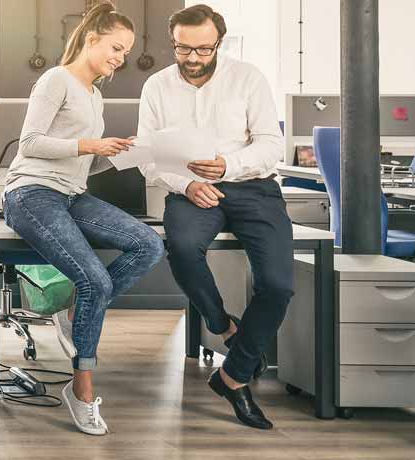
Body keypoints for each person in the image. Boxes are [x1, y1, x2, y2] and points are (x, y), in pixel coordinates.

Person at [1, 2, 164, 436]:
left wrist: (116, 154)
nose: (120, 58)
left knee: (149, 245)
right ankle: (82, 388)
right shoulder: (56, 80)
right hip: (31, 192)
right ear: (91, 39)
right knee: (97, 281)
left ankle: (76, 313)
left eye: (126, 52)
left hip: (72, 193)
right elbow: (31, 143)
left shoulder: (94, 94)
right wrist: (91, 145)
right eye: (115, 47)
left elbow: (81, 164)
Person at [137, 4, 290, 430]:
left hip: (251, 186)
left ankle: (233, 376)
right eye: (183, 48)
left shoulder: (248, 78)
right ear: (173, 42)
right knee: (182, 248)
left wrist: (229, 166)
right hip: (189, 188)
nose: (192, 58)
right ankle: (222, 325)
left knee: (278, 285)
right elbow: (148, 156)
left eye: (203, 49)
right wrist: (185, 184)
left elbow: (270, 145)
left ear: (218, 43)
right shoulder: (157, 86)